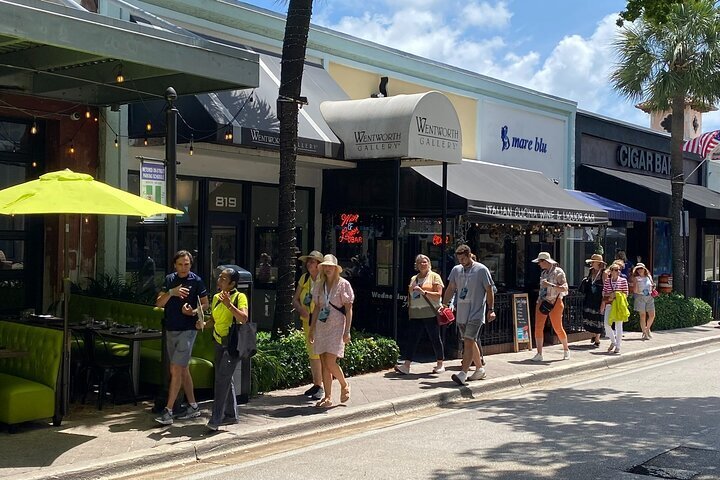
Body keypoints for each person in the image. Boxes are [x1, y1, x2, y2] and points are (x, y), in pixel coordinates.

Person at [154, 250, 209, 425]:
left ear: (190, 264)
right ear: (175, 265)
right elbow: (159, 303)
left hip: (188, 330)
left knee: (175, 369)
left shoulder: (197, 281)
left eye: (186, 264)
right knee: (182, 369)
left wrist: (192, 311)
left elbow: (205, 304)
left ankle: (168, 411)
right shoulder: (170, 280)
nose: (184, 267)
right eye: (180, 264)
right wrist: (172, 292)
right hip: (171, 329)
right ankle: (193, 406)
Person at [198, 268, 248, 431]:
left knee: (221, 381)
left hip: (232, 345)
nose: (220, 279)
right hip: (219, 342)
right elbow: (213, 318)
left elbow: (243, 318)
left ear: (232, 283)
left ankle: (216, 419)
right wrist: (204, 324)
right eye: (220, 277)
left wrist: (230, 305)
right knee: (226, 379)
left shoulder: (240, 297)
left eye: (224, 278)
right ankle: (231, 415)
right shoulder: (216, 297)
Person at [443, 244, 495, 386]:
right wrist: (444, 304)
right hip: (461, 312)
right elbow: (451, 288)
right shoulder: (456, 270)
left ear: (469, 255)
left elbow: (489, 290)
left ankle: (463, 374)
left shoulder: (481, 269)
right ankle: (479, 369)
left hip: (476, 312)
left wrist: (491, 309)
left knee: (468, 340)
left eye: (463, 258)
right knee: (470, 342)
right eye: (459, 259)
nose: (461, 261)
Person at [309, 254, 355, 408]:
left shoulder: (343, 284)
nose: (328, 269)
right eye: (325, 266)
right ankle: (328, 396)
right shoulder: (319, 284)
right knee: (323, 363)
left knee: (330, 361)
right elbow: (316, 308)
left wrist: (347, 331)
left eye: (330, 266)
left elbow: (349, 309)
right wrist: (311, 329)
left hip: (336, 327)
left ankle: (344, 384)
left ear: (336, 269)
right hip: (322, 327)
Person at [395, 254, 445, 375]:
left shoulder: (434, 276)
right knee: (412, 339)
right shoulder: (414, 278)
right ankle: (406, 366)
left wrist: (424, 292)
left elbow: (438, 294)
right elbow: (412, 295)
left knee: (435, 338)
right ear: (416, 265)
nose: (423, 264)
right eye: (420, 262)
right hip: (416, 313)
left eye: (425, 262)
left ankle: (440, 364)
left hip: (430, 312)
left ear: (429, 264)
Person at [293, 250, 324, 400]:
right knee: (312, 353)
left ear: (319, 265)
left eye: (312, 262)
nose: (309, 264)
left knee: (319, 354)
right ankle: (316, 383)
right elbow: (295, 299)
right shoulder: (304, 278)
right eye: (308, 262)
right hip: (307, 321)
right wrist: (301, 310)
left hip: (320, 322)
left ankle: (321, 386)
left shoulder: (324, 280)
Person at [531, 252, 570, 362]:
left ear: (545, 261)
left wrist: (550, 285)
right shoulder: (543, 273)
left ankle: (566, 349)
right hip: (542, 301)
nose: (539, 264)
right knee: (538, 327)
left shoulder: (559, 272)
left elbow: (565, 288)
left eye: (540, 262)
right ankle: (539, 353)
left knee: (557, 327)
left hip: (555, 302)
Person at [580, 254, 607, 347]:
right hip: (590, 297)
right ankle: (594, 335)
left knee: (598, 317)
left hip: (599, 298)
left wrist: (603, 302)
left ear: (598, 263)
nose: (591, 263)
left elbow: (605, 289)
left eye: (593, 262)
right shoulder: (591, 271)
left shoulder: (604, 273)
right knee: (590, 316)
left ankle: (597, 339)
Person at [603, 263, 629, 354]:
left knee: (619, 326)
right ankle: (613, 341)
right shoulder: (607, 281)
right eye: (615, 269)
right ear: (611, 271)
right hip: (609, 304)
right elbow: (604, 293)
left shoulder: (623, 281)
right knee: (606, 324)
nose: (617, 271)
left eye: (618, 270)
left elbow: (626, 294)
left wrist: (617, 295)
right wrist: (610, 295)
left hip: (618, 305)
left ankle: (618, 346)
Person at [632, 263, 656, 340]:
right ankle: (645, 333)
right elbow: (635, 290)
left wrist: (653, 287)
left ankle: (647, 329)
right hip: (640, 296)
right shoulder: (636, 278)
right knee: (642, 315)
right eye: (638, 269)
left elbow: (652, 285)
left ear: (644, 269)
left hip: (649, 296)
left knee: (652, 315)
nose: (639, 270)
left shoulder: (649, 276)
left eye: (641, 268)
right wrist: (636, 287)